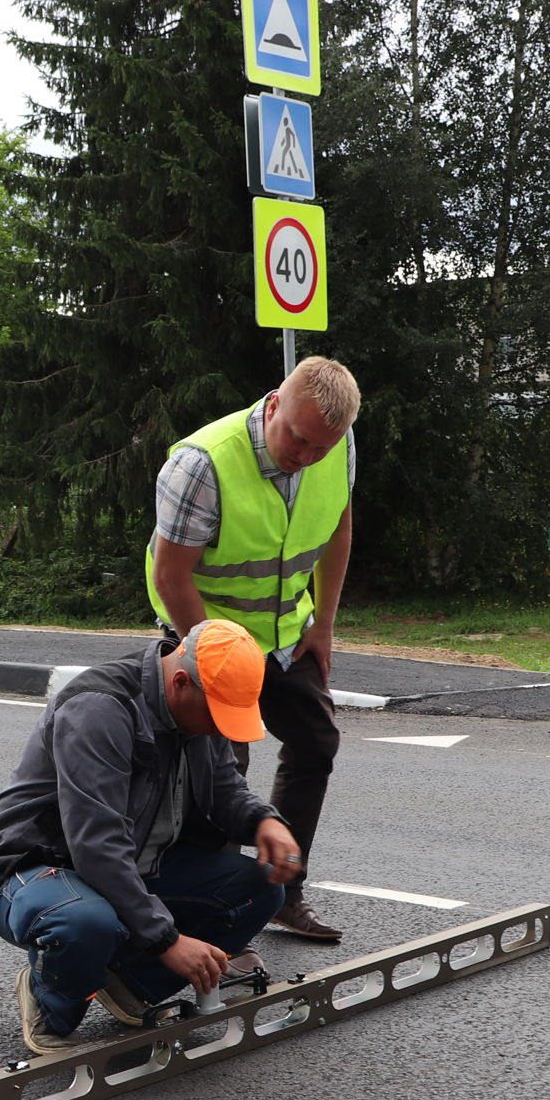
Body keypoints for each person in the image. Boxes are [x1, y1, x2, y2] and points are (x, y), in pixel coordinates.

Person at [0, 619, 304, 1054]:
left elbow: (225, 788)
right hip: (38, 867)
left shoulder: (196, 713)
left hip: (132, 863)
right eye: (215, 715)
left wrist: (265, 821)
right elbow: (97, 844)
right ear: (181, 682)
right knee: (83, 923)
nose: (219, 729)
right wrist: (167, 940)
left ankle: (126, 982)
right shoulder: (99, 709)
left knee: (261, 887)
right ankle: (48, 995)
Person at [146, 355, 361, 944]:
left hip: (287, 637)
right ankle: (215, 920)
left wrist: (323, 627)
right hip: (206, 636)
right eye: (298, 439)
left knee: (316, 742)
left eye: (322, 447)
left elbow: (337, 527)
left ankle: (284, 896)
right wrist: (210, 660)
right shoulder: (202, 464)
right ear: (274, 405)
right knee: (220, 773)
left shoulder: (335, 445)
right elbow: (171, 577)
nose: (307, 456)